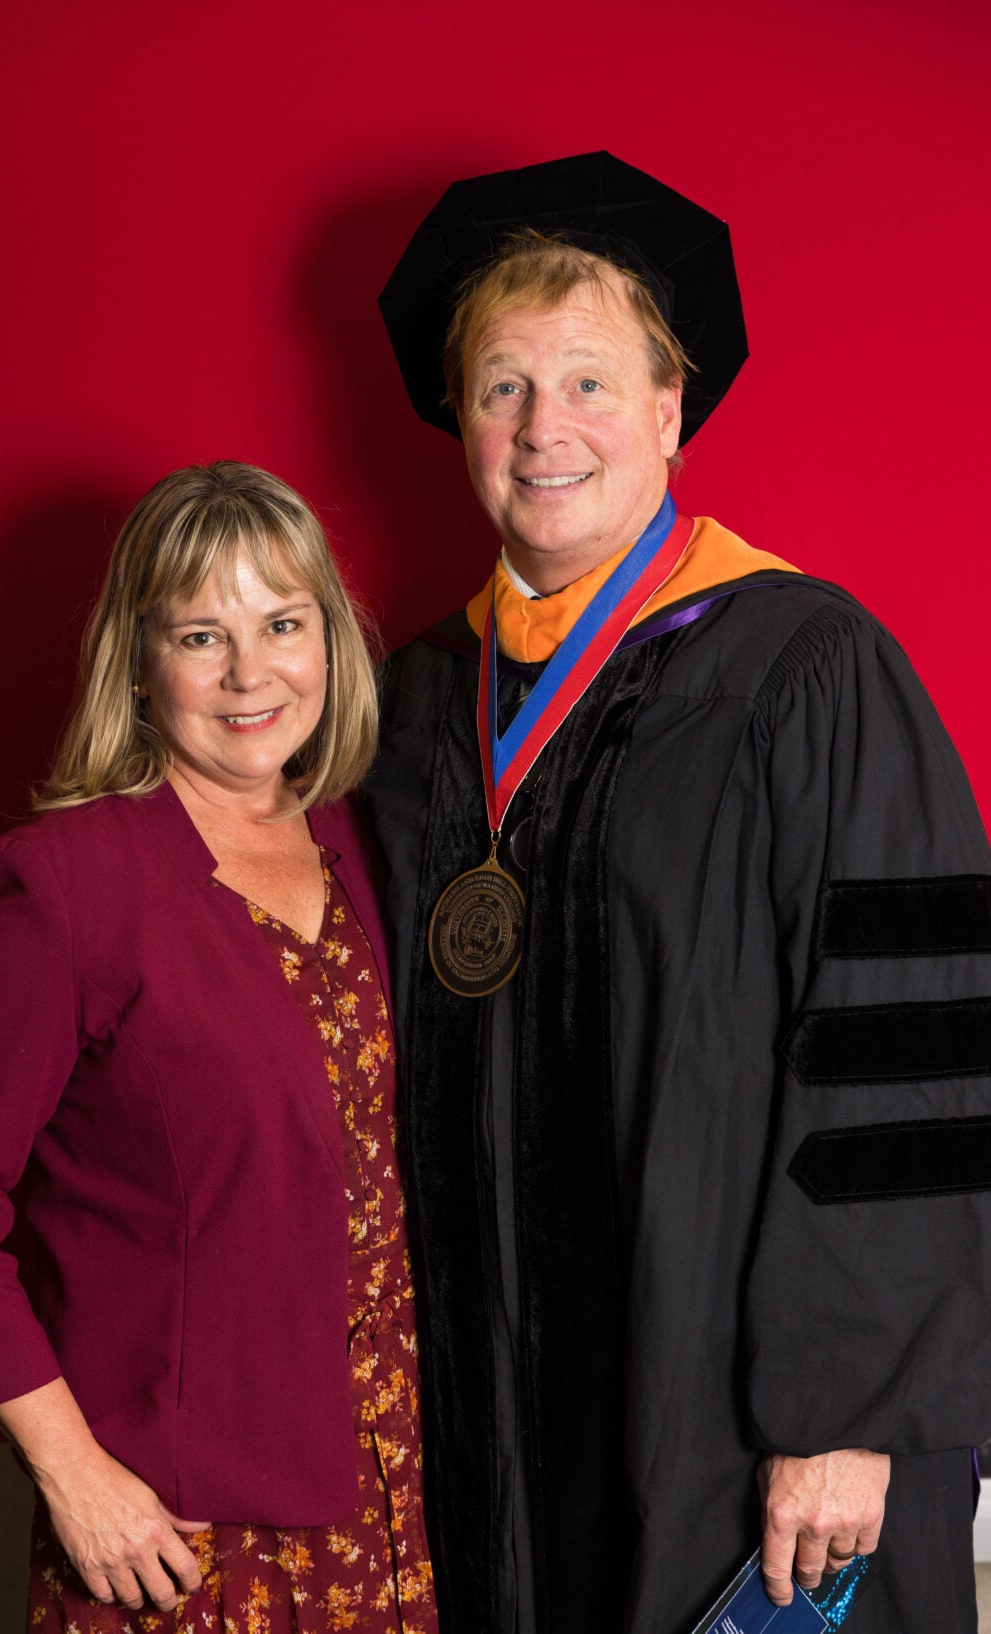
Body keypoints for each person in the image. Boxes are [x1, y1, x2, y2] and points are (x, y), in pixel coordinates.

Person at [365, 152, 991, 1633]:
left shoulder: (800, 665)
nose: (541, 427)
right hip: (484, 1423)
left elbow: (907, 1047)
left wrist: (847, 1407)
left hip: (743, 1425)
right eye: (501, 385)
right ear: (458, 418)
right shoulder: (399, 708)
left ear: (668, 411)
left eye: (588, 381)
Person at [0, 461, 438, 1634]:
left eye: (283, 623)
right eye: (203, 633)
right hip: (179, 1537)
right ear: (140, 664)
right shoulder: (60, 884)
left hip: (395, 1502)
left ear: (330, 641)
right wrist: (73, 1475)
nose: (252, 672)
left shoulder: (371, 843)